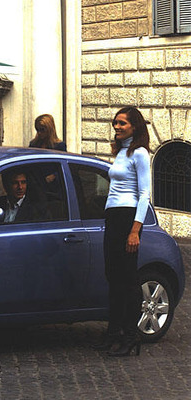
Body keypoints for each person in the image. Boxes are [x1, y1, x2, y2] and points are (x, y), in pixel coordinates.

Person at [92, 106, 151, 357]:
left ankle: (130, 335)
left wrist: (135, 230)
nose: (117, 126)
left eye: (122, 123)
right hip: (114, 217)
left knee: (128, 280)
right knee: (113, 277)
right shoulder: (121, 152)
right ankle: (113, 333)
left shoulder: (140, 153)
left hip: (128, 218)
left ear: (134, 126)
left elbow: (145, 194)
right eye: (115, 122)